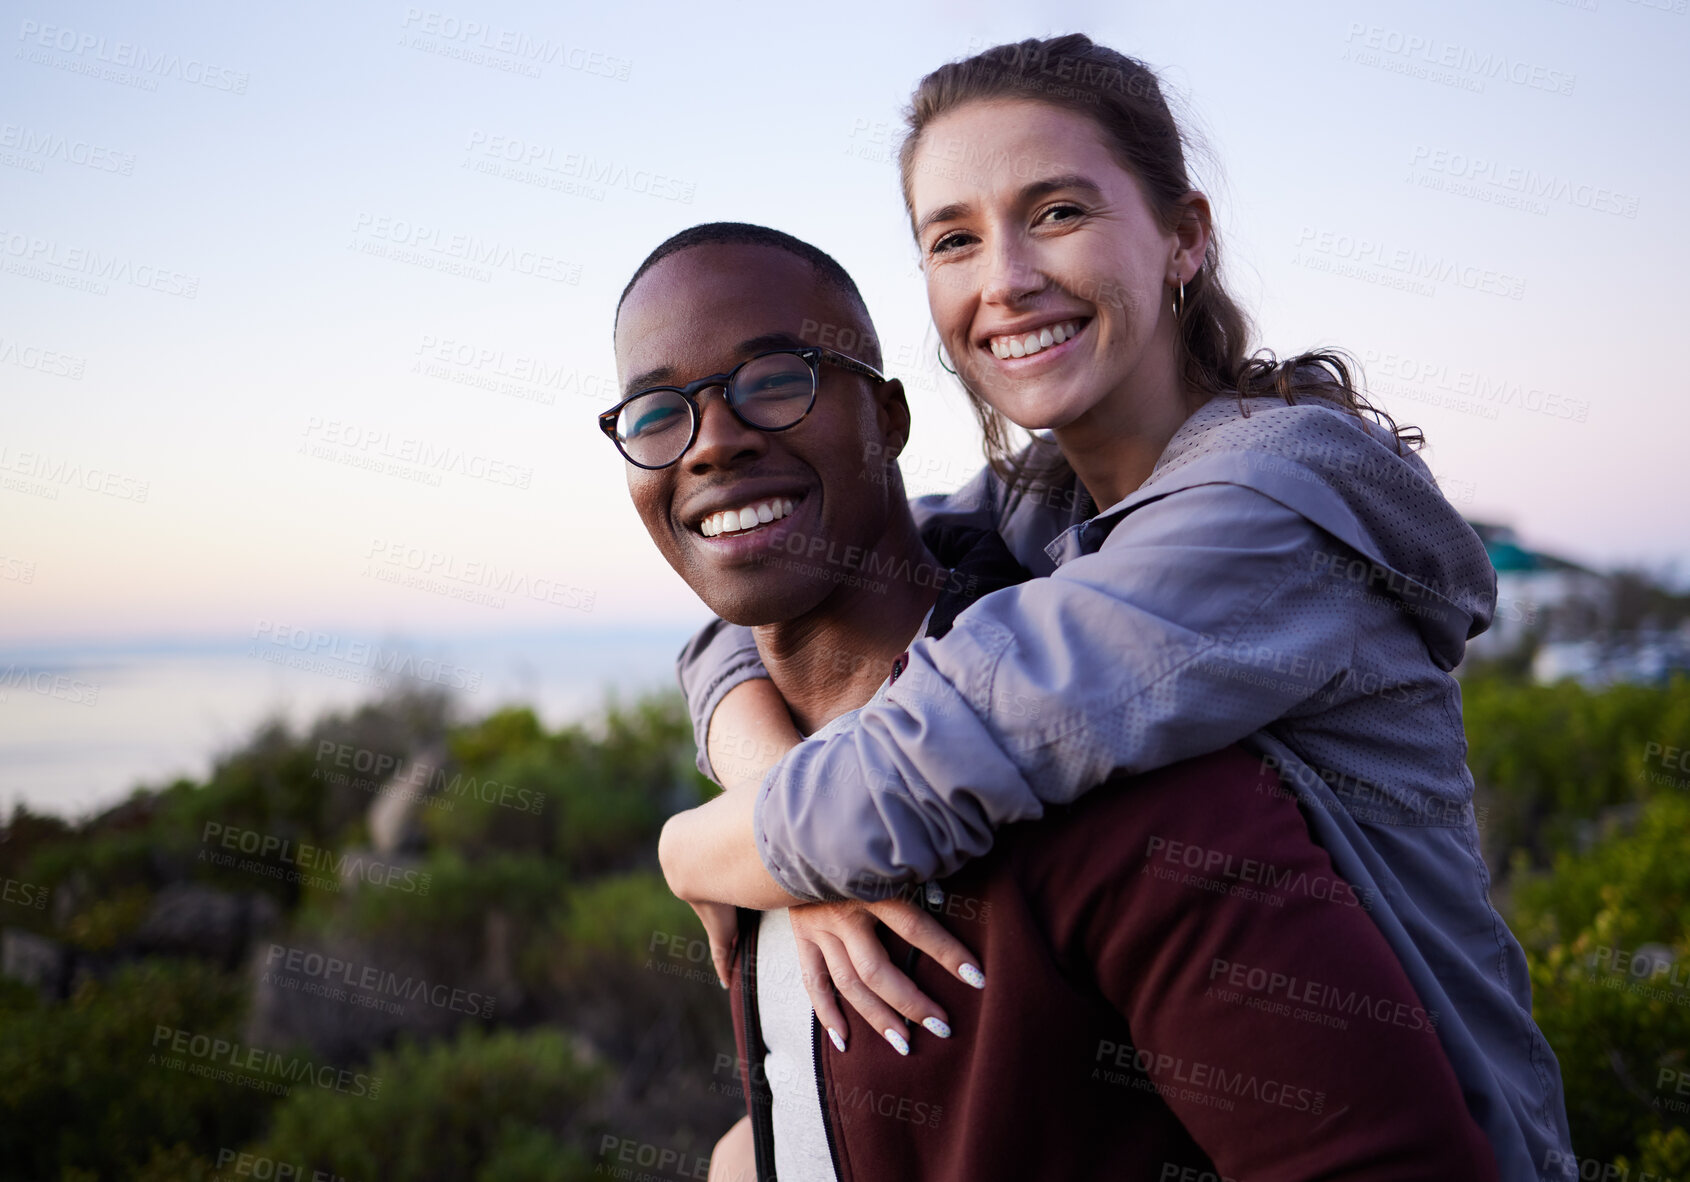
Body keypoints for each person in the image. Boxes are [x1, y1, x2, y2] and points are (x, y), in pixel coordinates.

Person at [657, 36, 1576, 1182]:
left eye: (1054, 212)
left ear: (1185, 235)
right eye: (953, 239)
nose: (1003, 278)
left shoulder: (1261, 509)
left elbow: (901, 785)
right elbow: (769, 602)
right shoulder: (1049, 501)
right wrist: (767, 792)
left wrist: (692, 849)